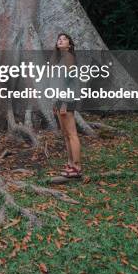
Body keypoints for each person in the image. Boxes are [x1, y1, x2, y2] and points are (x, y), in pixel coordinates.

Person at [51, 33, 82, 178]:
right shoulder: (61, 58)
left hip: (67, 99)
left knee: (72, 134)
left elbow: (69, 82)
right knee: (65, 134)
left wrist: (63, 103)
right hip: (59, 99)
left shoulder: (69, 57)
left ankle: (76, 166)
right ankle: (70, 163)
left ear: (69, 44)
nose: (60, 40)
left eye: (64, 39)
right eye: (59, 39)